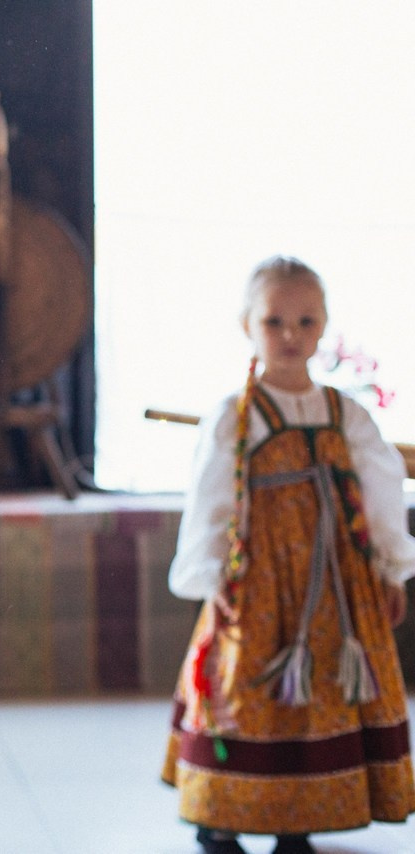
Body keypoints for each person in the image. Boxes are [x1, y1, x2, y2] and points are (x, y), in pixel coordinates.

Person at [161, 256, 415, 854]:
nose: (292, 335)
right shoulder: (236, 416)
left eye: (306, 320)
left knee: (321, 689)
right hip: (258, 578)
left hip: (334, 583)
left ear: (325, 326)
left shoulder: (344, 412)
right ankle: (220, 815)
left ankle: (296, 816)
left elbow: (378, 490)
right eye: (275, 321)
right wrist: (211, 573)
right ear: (247, 326)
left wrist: (390, 566)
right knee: (247, 688)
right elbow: (212, 498)